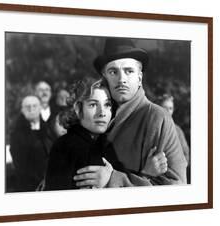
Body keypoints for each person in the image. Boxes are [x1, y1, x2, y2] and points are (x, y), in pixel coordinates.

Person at [74, 38, 187, 188]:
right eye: (113, 72)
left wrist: (113, 179)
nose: (122, 80)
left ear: (140, 78)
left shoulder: (157, 118)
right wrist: (144, 174)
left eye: (129, 71)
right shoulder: (93, 116)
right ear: (104, 78)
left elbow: (177, 187)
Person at [45, 78, 167, 190]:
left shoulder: (103, 144)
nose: (102, 113)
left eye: (107, 104)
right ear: (78, 109)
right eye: (93, 105)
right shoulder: (67, 146)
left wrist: (145, 173)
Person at [9, 95, 53, 192]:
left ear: (40, 108)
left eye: (34, 106)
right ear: (22, 110)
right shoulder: (16, 135)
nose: (31, 109)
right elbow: (20, 165)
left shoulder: (49, 129)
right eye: (27, 107)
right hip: (28, 185)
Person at [158, 93, 190, 183]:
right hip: (157, 176)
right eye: (165, 108)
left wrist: (179, 168)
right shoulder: (153, 128)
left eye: (170, 108)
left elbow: (186, 153)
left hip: (176, 175)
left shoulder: (178, 130)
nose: (168, 111)